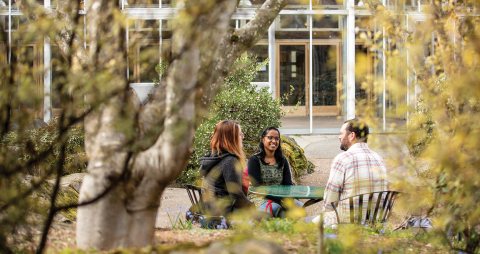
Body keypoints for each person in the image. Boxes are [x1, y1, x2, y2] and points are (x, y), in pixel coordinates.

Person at [312, 119, 388, 226]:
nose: (339, 137)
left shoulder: (343, 159)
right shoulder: (379, 159)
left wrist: (326, 213)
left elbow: (331, 196)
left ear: (352, 135)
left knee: (308, 224)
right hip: (376, 223)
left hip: (348, 223)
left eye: (341, 133)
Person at [199, 120, 254, 216]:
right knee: (269, 215)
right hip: (223, 214)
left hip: (209, 211)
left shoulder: (213, 157)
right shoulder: (230, 161)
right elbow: (237, 196)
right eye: (240, 134)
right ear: (231, 138)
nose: (243, 137)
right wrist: (254, 207)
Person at [247, 126, 303, 217]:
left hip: (281, 197)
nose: (274, 141)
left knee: (301, 208)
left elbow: (288, 184)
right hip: (259, 197)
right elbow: (258, 187)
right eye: (270, 137)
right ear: (262, 139)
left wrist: (289, 199)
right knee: (276, 209)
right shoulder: (254, 160)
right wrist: (280, 200)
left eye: (277, 139)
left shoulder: (282, 160)